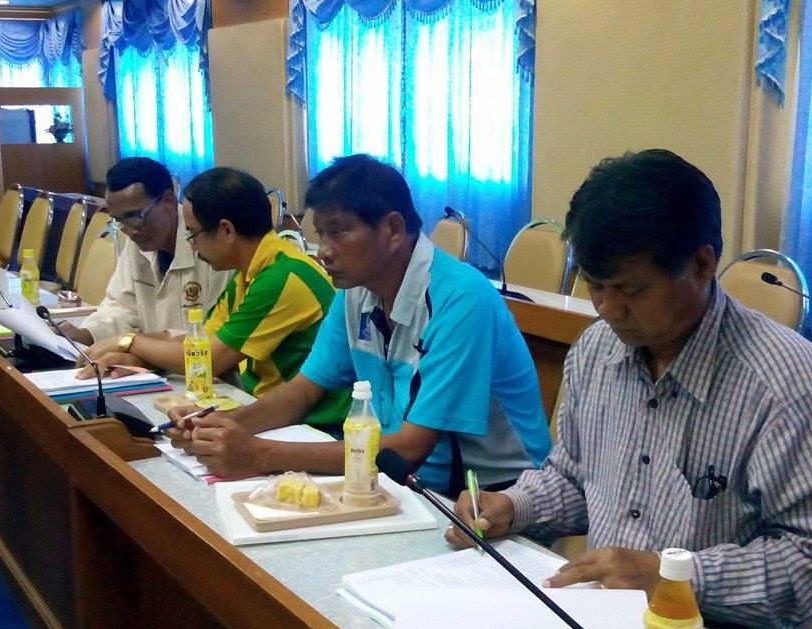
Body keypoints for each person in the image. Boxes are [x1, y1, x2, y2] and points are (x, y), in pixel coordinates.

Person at [447, 149, 812, 629]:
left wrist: (675, 577)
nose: (607, 309)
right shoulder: (596, 351)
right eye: (595, 285)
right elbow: (576, 479)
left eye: (631, 289)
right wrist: (512, 505)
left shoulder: (786, 384)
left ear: (701, 265)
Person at [166, 154, 551, 493]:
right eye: (321, 235)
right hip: (404, 483)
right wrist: (218, 426)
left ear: (393, 229)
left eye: (338, 233)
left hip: (493, 500)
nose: (324, 251)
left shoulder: (462, 300)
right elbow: (303, 392)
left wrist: (260, 454)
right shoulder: (356, 291)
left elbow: (412, 448)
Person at [79, 167, 350, 425]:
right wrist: (140, 360)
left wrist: (130, 342)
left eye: (193, 234)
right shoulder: (250, 272)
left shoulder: (282, 276)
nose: (192, 245)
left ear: (227, 231)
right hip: (271, 410)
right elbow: (198, 344)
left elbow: (209, 360)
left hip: (314, 423)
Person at [59, 157, 232, 349]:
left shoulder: (211, 244)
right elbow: (121, 307)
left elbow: (213, 335)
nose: (129, 231)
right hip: (152, 359)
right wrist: (86, 334)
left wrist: (138, 348)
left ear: (168, 201)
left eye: (134, 217)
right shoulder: (138, 241)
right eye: (119, 221)